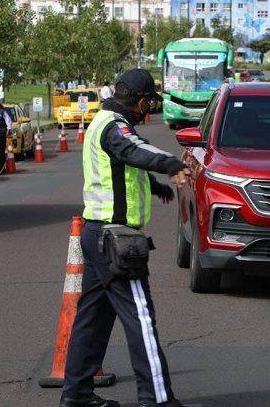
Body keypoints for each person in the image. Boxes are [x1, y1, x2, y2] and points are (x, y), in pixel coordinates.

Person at [60, 69, 189, 407]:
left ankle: (77, 395)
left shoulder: (103, 121)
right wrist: (171, 164)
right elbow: (132, 150)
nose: (150, 112)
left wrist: (154, 186)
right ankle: (157, 399)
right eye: (150, 104)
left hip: (96, 234)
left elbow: (120, 170)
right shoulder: (114, 126)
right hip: (114, 240)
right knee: (141, 319)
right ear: (141, 101)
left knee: (92, 319)